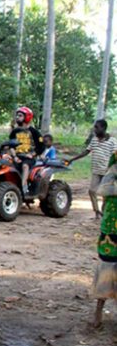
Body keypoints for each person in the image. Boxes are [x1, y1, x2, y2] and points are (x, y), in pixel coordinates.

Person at [68, 119, 117, 218]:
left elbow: (115, 156)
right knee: (92, 191)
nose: (94, 129)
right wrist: (72, 159)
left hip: (107, 172)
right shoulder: (94, 140)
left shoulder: (112, 141)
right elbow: (86, 152)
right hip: (96, 171)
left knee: (105, 195)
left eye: (96, 127)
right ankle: (97, 212)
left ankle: (104, 214)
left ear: (103, 128)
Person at [92, 153, 117, 327]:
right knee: (106, 268)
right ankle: (98, 312)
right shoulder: (114, 163)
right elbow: (104, 189)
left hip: (110, 225)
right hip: (111, 227)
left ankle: (99, 314)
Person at [8, 106, 44, 191]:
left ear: (27, 117)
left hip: (29, 158)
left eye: (20, 116)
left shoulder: (34, 132)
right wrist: (15, 157)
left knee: (25, 166)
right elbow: (11, 146)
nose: (17, 117)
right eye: (17, 115)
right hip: (17, 157)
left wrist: (32, 154)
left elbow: (41, 146)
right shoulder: (15, 131)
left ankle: (23, 187)